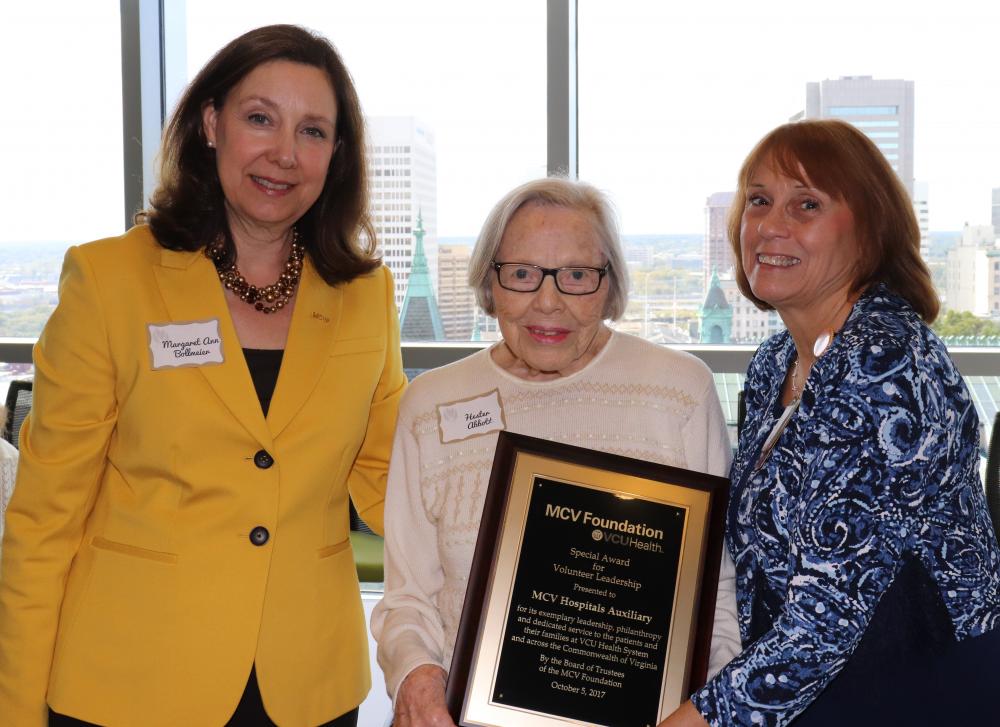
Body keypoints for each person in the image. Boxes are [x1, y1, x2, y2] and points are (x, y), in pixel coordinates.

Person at [0, 25, 406, 727]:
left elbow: (392, 479)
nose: (283, 152)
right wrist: (15, 712)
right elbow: (43, 524)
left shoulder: (366, 295)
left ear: (335, 155)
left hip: (306, 685)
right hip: (128, 683)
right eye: (259, 118)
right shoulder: (109, 280)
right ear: (212, 124)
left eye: (312, 131)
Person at [662, 119, 1000, 727]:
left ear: (870, 233)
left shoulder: (884, 361)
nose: (769, 225)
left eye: (807, 204)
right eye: (758, 200)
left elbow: (830, 617)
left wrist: (690, 720)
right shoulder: (775, 364)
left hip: (914, 688)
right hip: (813, 686)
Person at [371, 177, 739, 727]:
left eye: (576, 275)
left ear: (609, 285)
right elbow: (407, 600)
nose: (548, 301)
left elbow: (718, 597)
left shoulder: (679, 392)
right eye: (521, 274)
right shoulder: (431, 404)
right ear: (489, 283)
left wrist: (706, 707)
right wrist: (415, 678)